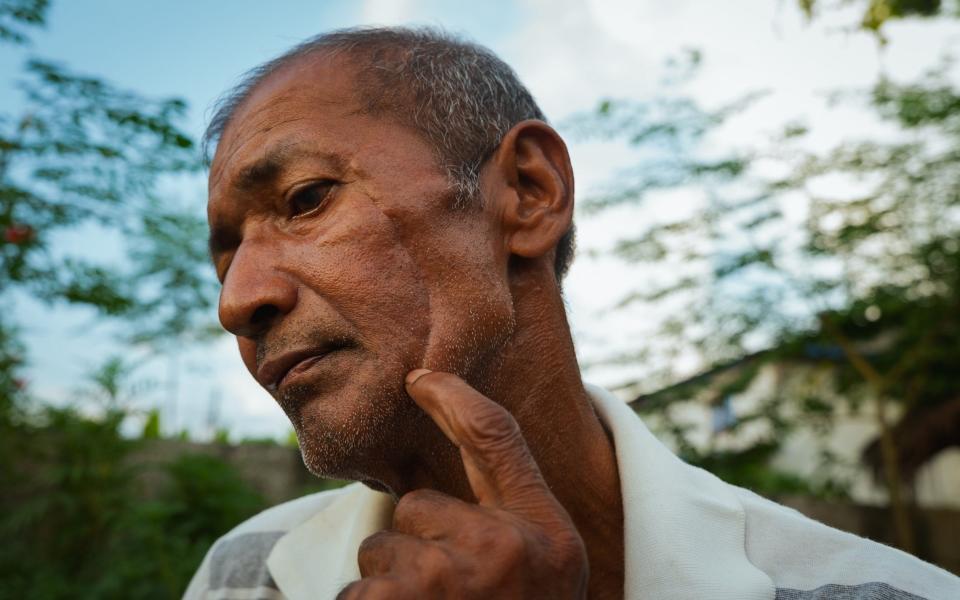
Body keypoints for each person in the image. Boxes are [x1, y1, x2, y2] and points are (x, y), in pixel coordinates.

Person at [186, 27, 959, 600]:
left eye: (306, 200)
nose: (237, 302)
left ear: (528, 192)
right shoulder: (242, 574)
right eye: (225, 258)